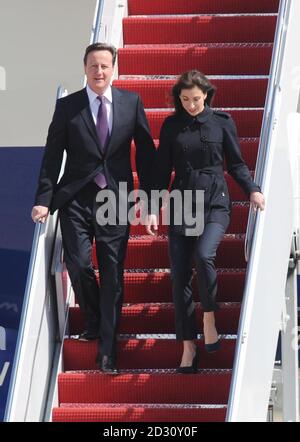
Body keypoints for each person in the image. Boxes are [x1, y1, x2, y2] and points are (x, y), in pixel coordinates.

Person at [31, 42, 156, 374]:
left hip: (116, 199)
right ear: (84, 68)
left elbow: (145, 153)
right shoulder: (67, 107)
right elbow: (52, 156)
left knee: (113, 274)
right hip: (76, 197)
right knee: (80, 263)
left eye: (104, 66)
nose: (99, 72)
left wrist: (150, 198)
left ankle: (107, 351)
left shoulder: (131, 103)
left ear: (114, 68)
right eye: (93, 66)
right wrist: (43, 200)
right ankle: (96, 317)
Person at [145, 70, 265, 373]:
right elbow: (160, 170)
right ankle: (188, 346)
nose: (190, 105)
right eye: (184, 99)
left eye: (196, 99)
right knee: (181, 275)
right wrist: (151, 206)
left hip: (215, 200)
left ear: (207, 95)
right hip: (182, 202)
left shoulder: (222, 122)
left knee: (204, 254)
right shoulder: (172, 126)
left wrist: (252, 190)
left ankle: (209, 316)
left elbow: (236, 164)